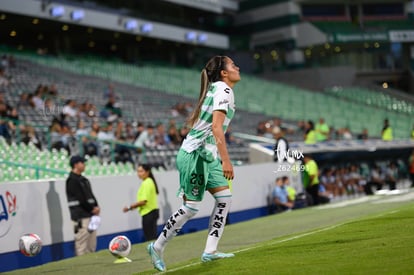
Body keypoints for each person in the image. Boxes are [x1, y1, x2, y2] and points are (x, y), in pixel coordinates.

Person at [147, 55, 240, 272]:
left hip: (208, 154)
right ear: (224, 73)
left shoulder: (218, 89)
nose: (237, 67)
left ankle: (210, 251)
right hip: (195, 154)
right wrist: (227, 160)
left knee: (224, 198)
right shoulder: (223, 90)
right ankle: (156, 246)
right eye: (232, 65)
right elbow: (217, 127)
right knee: (190, 207)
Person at [65, 155, 100, 256]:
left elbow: (90, 195)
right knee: (82, 244)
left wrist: (96, 206)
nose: (84, 165)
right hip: (80, 216)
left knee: (91, 244)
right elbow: (80, 198)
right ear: (76, 165)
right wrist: (92, 209)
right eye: (82, 163)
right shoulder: (72, 180)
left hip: (91, 215)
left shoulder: (84, 180)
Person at [123, 164, 160, 241]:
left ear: (147, 172)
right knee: (152, 237)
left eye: (141, 171)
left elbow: (143, 201)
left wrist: (130, 207)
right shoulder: (149, 182)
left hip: (149, 213)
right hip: (151, 212)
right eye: (138, 171)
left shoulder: (147, 183)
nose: (139, 173)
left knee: (150, 238)